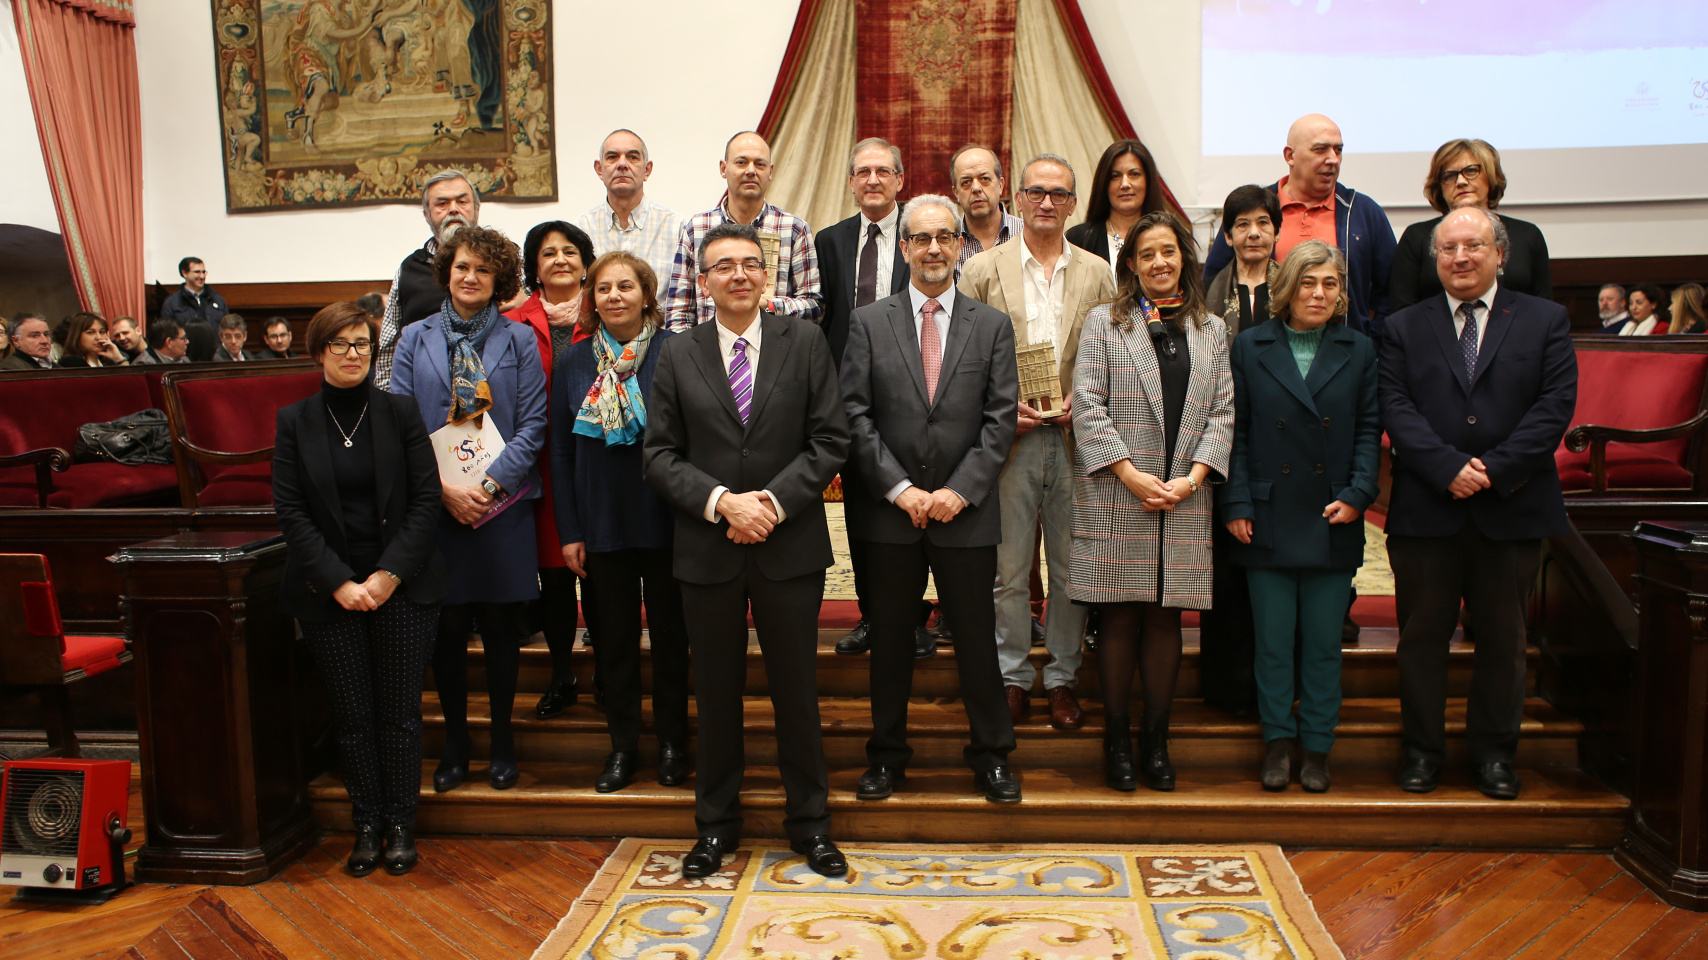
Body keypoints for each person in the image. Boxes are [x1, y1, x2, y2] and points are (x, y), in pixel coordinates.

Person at [642, 222, 851, 879]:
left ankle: (811, 827)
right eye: (724, 266)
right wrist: (722, 503)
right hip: (707, 548)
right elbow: (659, 456)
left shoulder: (807, 341)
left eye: (751, 264)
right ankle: (715, 828)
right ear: (703, 283)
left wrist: (769, 504)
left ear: (767, 277)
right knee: (718, 690)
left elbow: (829, 439)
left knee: (797, 691)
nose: (739, 274)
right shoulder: (677, 353)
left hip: (788, 546)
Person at [1381, 206, 1577, 800]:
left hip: (1512, 507)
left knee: (1503, 641)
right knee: (1420, 641)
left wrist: (1493, 470)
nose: (1460, 258)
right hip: (1427, 510)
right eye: (1448, 249)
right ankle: (1421, 752)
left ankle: (1495, 755)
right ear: (1434, 257)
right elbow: (1395, 407)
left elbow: (1554, 407)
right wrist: (1447, 469)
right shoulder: (1403, 326)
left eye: (1473, 246)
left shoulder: (1544, 320)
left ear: (1498, 253)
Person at [840, 194, 1022, 803]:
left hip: (964, 513)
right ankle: (887, 758)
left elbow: (1000, 423)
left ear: (960, 246)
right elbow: (854, 416)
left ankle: (992, 756)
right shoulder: (868, 322)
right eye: (922, 238)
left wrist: (956, 492)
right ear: (904, 247)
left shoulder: (992, 326)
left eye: (946, 237)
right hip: (888, 514)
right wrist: (901, 489)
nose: (935, 248)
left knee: (976, 639)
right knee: (890, 642)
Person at [272, 301, 446, 878]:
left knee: (398, 715)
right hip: (330, 592)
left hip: (402, 585)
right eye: (341, 345)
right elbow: (291, 513)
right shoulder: (295, 420)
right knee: (352, 716)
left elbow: (425, 501)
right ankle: (365, 824)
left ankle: (400, 825)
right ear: (319, 351)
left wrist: (386, 575)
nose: (353, 354)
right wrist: (340, 583)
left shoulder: (400, 413)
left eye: (362, 345)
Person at [1069, 211, 1233, 792]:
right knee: (1119, 615)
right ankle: (1116, 739)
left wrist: (1190, 480)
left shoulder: (1212, 330)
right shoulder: (1103, 323)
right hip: (1119, 490)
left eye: (1169, 252)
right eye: (1147, 255)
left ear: (1184, 259)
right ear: (1131, 267)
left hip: (1184, 493)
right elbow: (1086, 406)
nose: (1160, 263)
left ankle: (1156, 742)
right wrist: (1133, 476)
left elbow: (1222, 412)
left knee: (1167, 616)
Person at [959, 154, 1116, 732]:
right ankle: (1012, 676)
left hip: (1079, 438)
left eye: (1059, 193)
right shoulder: (981, 269)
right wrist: (999, 412)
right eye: (1035, 192)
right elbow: (965, 360)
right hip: (1010, 442)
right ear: (1016, 199)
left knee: (1074, 568)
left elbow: (1115, 353)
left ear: (1074, 204)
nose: (1047, 202)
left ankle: (1063, 678)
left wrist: (1090, 399)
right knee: (1008, 568)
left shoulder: (1100, 272)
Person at [390, 226, 548, 795]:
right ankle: (456, 741)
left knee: (504, 631)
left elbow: (534, 425)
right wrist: (443, 492)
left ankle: (502, 739)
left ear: (498, 278)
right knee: (447, 632)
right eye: (461, 267)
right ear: (447, 273)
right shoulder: (414, 338)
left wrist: (488, 485)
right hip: (437, 511)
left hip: (502, 509)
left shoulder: (520, 339)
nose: (470, 277)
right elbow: (402, 426)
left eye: (483, 269)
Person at [1222, 240, 1381, 794]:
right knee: (1271, 643)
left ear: (1341, 293)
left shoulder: (1358, 349)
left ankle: (1316, 747)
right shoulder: (1248, 346)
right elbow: (1234, 432)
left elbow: (1367, 430)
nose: (1319, 293)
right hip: (1267, 514)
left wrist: (1360, 494)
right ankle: (1276, 743)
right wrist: (1237, 502)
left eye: (1330, 284)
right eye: (1308, 282)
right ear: (1286, 287)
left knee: (1320, 645)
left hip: (1332, 512)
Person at [552, 251, 691, 792]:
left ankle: (675, 743)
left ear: (646, 294)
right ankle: (623, 747)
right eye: (603, 288)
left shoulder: (677, 352)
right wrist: (570, 530)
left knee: (672, 640)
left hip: (666, 518)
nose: (614, 296)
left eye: (625, 286)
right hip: (601, 522)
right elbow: (561, 453)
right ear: (592, 299)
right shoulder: (575, 361)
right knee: (613, 644)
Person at [814, 137, 932, 657]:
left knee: (916, 504)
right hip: (852, 395)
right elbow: (827, 320)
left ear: (900, 180)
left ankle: (913, 619)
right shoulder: (830, 241)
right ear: (851, 181)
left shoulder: (925, 235)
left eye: (883, 171)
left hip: (918, 390)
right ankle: (871, 615)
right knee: (863, 512)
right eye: (862, 172)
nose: (873, 180)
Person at [507, 220, 598, 719]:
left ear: (586, 261)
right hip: (540, 465)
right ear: (534, 268)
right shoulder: (512, 322)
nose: (560, 259)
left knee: (605, 578)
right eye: (548, 254)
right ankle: (562, 674)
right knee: (556, 579)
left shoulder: (609, 310)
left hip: (602, 463)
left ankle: (608, 671)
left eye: (570, 251)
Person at [1204, 114, 1396, 339]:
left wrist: (1370, 345)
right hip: (1263, 355)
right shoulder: (1254, 210)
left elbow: (1392, 293)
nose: (1332, 159)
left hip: (1343, 358)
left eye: (1338, 150)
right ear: (1290, 155)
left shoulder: (1363, 212)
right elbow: (1214, 283)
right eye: (1320, 150)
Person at [664, 132, 822, 331]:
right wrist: (691, 357)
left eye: (760, 164)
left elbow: (814, 307)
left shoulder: (794, 229)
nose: (750, 171)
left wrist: (768, 305)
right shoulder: (696, 228)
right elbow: (678, 312)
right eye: (741, 162)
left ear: (770, 171)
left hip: (776, 354)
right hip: (707, 356)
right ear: (723, 168)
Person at [1389, 140, 1552, 313]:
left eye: (1471, 171)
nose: (1460, 181)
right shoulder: (1417, 237)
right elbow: (1402, 313)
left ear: (1491, 176)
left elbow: (1544, 310)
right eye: (1449, 175)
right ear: (1440, 187)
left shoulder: (1527, 235)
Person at [375, 169, 485, 387]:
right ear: (427, 214)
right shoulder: (409, 269)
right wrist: (392, 403)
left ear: (476, 209)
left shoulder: (503, 261)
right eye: (442, 204)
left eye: (462, 201)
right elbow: (389, 347)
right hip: (422, 394)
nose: (453, 209)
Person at [576, 129, 684, 285]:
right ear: (599, 169)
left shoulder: (675, 227)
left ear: (647, 170)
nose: (622, 164)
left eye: (632, 157)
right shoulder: (582, 229)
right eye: (612, 157)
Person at [1066, 139, 1170, 276]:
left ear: (1148, 181)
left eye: (1134, 174)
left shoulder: (1171, 237)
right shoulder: (1079, 239)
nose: (1125, 184)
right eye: (1115, 176)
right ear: (1104, 184)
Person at [1204, 185, 1281, 339]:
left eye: (1263, 223)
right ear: (1228, 236)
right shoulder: (1204, 292)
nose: (1254, 233)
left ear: (1276, 233)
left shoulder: (1293, 288)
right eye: (1243, 224)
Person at [950, 144, 1023, 272]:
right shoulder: (948, 242)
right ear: (956, 193)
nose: (976, 188)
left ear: (1000, 185)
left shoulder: (1026, 235)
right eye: (966, 182)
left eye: (984, 179)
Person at [159, 257, 229, 362]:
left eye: (204, 272)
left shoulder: (217, 299)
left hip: (216, 356)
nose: (202, 276)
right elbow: (168, 332)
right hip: (186, 358)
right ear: (184, 273)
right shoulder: (172, 303)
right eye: (197, 272)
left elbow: (226, 326)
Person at [55, 313, 130, 367]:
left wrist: (119, 359)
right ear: (77, 336)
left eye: (102, 332)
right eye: (90, 332)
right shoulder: (71, 362)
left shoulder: (107, 361)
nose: (98, 337)